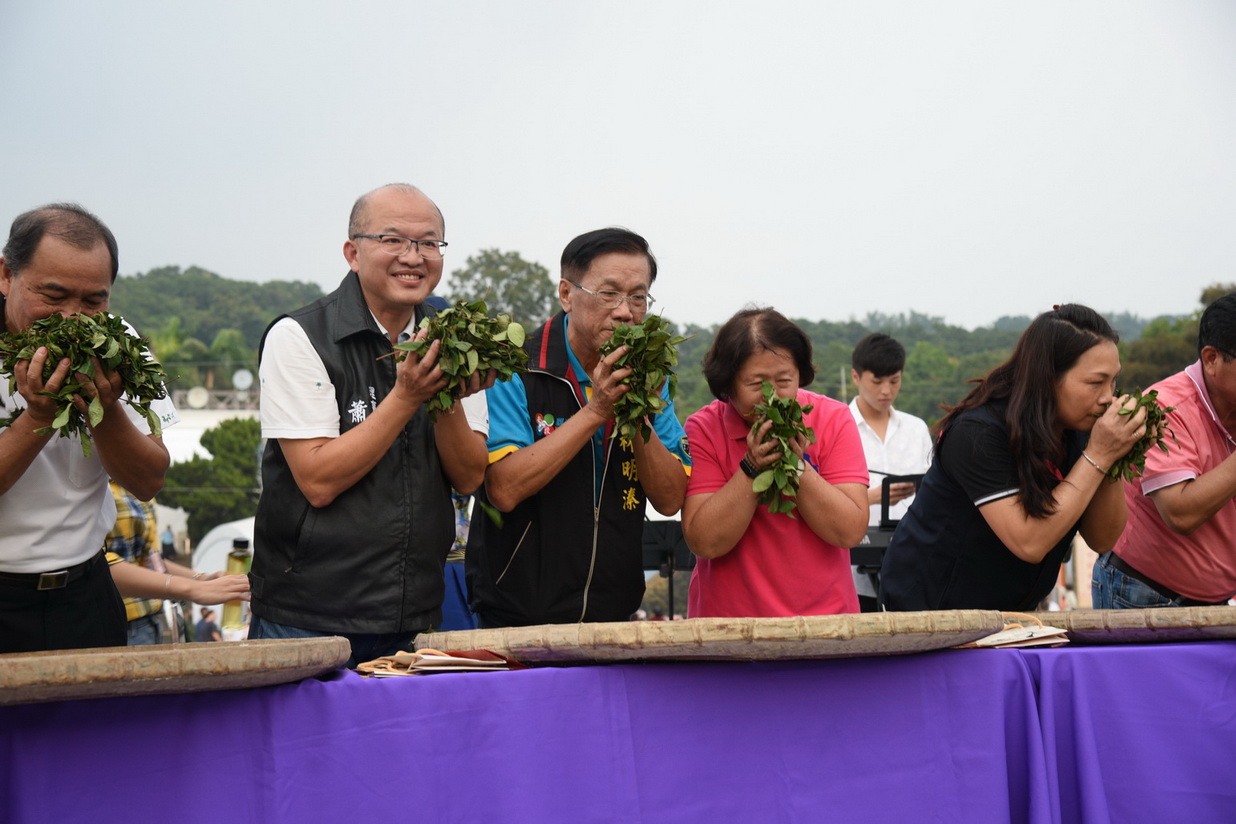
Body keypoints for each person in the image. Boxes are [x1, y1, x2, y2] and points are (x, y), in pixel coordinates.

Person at [250, 183, 490, 667]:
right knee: (304, 744)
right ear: (352, 253)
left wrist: (443, 398)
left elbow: (469, 476)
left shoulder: (456, 343)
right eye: (393, 239)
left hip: (414, 611)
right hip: (308, 616)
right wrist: (406, 397)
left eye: (429, 242)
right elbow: (317, 480)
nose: (414, 256)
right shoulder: (299, 337)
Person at [467, 228, 691, 627]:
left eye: (638, 297)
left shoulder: (652, 378)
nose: (625, 311)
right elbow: (503, 488)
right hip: (518, 616)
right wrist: (597, 409)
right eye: (609, 294)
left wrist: (637, 411)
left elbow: (671, 498)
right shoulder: (514, 368)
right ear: (567, 294)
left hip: (614, 614)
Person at [879, 304, 1147, 612]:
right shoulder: (978, 433)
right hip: (929, 611)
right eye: (1095, 382)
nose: (1108, 397)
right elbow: (1029, 542)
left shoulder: (1080, 430)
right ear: (1047, 378)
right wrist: (1099, 455)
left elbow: (1103, 540)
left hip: (1008, 614)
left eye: (1113, 381)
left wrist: (1112, 460)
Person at [0, 203, 179, 654]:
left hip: (86, 596)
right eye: (53, 297)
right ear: (6, 275)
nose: (72, 319)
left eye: (93, 301)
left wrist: (105, 408)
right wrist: (38, 418)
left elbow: (147, 480)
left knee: (95, 725)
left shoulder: (118, 342)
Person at [681, 308, 869, 617]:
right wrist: (751, 467)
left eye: (784, 380)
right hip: (728, 628)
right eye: (756, 384)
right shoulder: (703, 428)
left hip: (826, 623)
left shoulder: (833, 418)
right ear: (727, 385)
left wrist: (798, 466)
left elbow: (848, 531)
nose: (772, 396)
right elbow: (705, 542)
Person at [1092, 294, 1236, 608]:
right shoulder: (1167, 408)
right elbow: (1181, 513)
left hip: (1216, 602)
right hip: (1146, 595)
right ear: (1211, 359)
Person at [104, 480, 250, 645]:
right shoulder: (92, 481)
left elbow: (152, 560)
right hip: (113, 623)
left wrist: (201, 578)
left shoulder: (133, 482)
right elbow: (97, 565)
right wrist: (193, 589)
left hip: (151, 620)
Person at [848, 333, 933, 608]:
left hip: (912, 565)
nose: (886, 391)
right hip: (851, 573)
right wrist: (873, 497)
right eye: (877, 381)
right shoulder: (840, 427)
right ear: (856, 377)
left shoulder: (916, 428)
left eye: (894, 381)